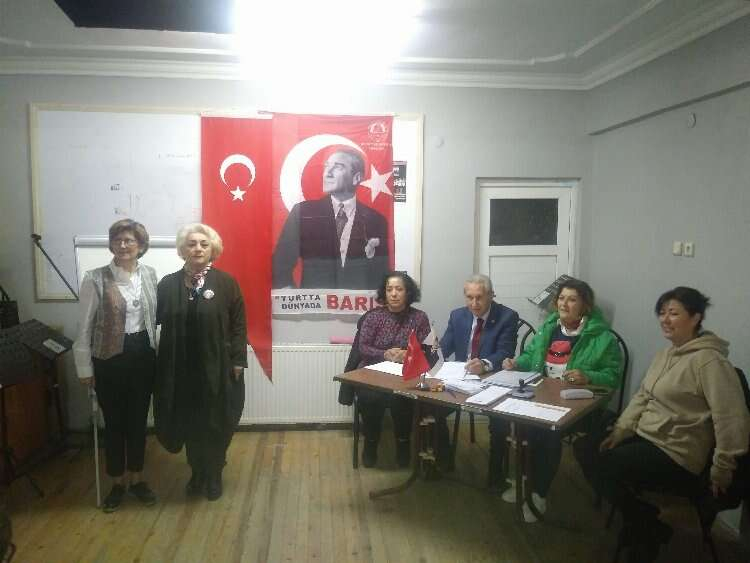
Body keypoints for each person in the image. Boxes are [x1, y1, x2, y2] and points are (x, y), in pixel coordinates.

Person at [596, 287, 750, 563]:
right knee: (589, 445)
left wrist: (723, 467)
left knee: (607, 464)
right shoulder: (665, 355)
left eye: (674, 313)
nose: (665, 319)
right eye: (662, 313)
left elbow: (731, 418)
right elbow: (642, 397)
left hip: (677, 453)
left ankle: (643, 527)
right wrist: (621, 430)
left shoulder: (710, 361)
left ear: (696, 318)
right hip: (647, 437)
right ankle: (645, 522)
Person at [499, 278, 621, 522]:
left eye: (572, 299)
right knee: (521, 424)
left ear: (585, 305)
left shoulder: (603, 338)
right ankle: (525, 482)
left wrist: (588, 376)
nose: (564, 304)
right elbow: (530, 356)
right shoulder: (549, 327)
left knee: (548, 432)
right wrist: (516, 363)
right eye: (561, 298)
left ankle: (539, 493)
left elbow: (612, 376)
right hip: (543, 396)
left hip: (580, 406)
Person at [154, 223, 248, 501]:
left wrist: (238, 360)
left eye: (204, 244)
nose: (197, 248)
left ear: (212, 250)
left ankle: (214, 473)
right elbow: (149, 319)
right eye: (192, 244)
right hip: (180, 367)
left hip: (216, 365)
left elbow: (239, 325)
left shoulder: (226, 283)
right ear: (183, 249)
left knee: (215, 421)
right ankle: (196, 472)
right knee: (190, 421)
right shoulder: (167, 284)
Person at [73, 219, 158, 512]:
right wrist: (85, 369)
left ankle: (137, 479)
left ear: (141, 245)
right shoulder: (94, 278)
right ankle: (117, 483)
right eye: (118, 240)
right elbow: (84, 328)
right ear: (111, 244)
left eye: (130, 240)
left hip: (143, 357)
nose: (123, 245)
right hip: (109, 361)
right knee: (114, 424)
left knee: (138, 422)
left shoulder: (150, 274)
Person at [273, 149, 389, 289]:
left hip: (357, 302)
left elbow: (380, 273)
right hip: (314, 302)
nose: (327, 173)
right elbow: (280, 264)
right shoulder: (303, 213)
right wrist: (291, 295)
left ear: (356, 178)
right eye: (327, 166)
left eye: (338, 167)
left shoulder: (376, 220)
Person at [440, 274, 518, 473]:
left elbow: (505, 351)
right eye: (469, 297)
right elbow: (444, 347)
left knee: (500, 420)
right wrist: (431, 352)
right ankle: (443, 459)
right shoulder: (457, 315)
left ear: (491, 295)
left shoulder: (507, 316)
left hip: (492, 379)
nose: (474, 303)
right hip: (460, 378)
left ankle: (496, 472)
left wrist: (484, 364)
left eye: (480, 297)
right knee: (429, 406)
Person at [357, 271, 431, 467]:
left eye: (399, 289)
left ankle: (403, 444)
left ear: (408, 293)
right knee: (370, 398)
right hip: (373, 371)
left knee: (403, 399)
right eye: (389, 289)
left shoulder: (419, 318)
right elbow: (362, 347)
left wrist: (408, 353)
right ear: (384, 292)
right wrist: (385, 354)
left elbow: (427, 349)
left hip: (405, 373)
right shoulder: (373, 317)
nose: (394, 294)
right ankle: (371, 444)